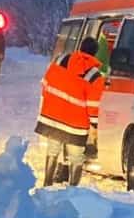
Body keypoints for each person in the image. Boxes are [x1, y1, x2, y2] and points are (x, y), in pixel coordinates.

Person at [35, 37, 104, 187]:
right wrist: (95, 125)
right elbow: (93, 105)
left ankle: (47, 184)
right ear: (95, 53)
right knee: (76, 157)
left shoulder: (60, 60)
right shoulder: (95, 76)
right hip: (76, 124)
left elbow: (45, 83)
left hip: (52, 117)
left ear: (80, 48)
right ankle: (73, 189)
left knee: (52, 151)